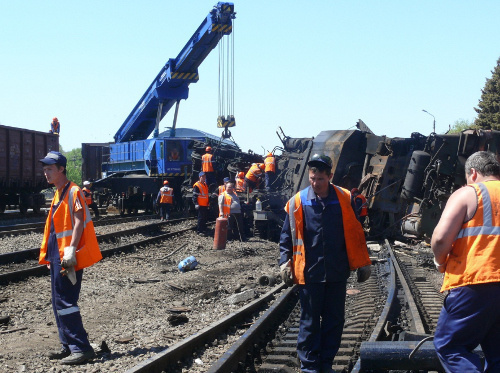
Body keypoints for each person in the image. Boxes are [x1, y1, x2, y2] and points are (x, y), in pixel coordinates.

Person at [279, 153, 372, 373]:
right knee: (309, 324)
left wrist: (363, 262)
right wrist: (284, 261)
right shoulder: (298, 201)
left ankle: (326, 364)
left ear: (329, 177)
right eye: (312, 178)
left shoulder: (345, 198)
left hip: (337, 272)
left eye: (320, 179)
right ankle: (310, 367)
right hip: (309, 273)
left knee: (334, 322)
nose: (316, 183)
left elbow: (356, 233)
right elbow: (286, 236)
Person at [431, 151, 500, 373]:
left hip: (477, 281)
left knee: (450, 345)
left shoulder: (469, 193)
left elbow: (441, 239)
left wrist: (440, 263)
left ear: (473, 173)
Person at [38, 151, 102, 365]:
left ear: (61, 169)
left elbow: (78, 220)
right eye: (45, 169)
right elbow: (56, 228)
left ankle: (81, 347)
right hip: (57, 253)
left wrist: (72, 250)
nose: (46, 173)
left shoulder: (73, 191)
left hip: (67, 254)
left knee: (66, 300)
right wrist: (50, 256)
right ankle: (67, 344)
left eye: (50, 169)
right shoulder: (58, 192)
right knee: (58, 300)